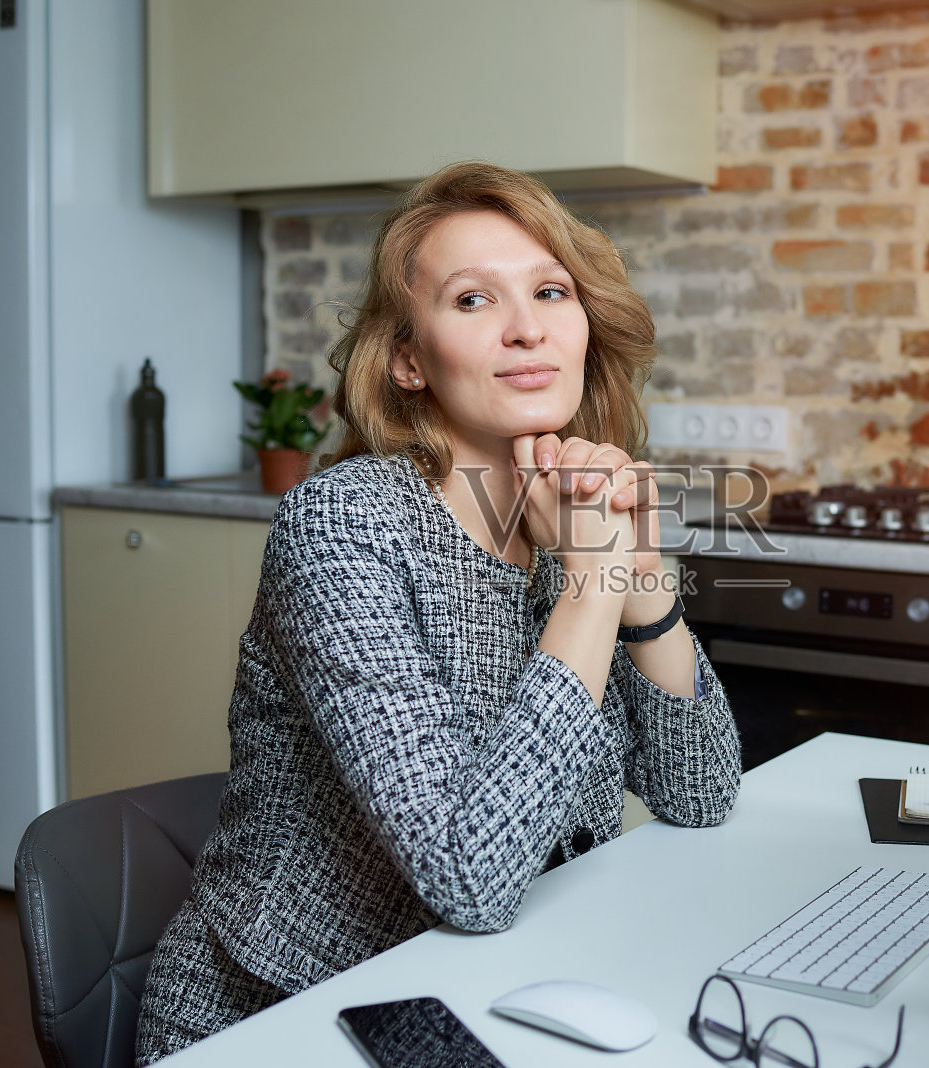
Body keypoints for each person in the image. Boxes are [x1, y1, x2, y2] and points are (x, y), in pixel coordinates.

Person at [134, 161, 742, 1064]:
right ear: (408, 360)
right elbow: (468, 875)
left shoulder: (565, 513)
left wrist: (639, 576)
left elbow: (702, 795)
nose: (527, 327)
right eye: (472, 300)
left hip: (490, 991)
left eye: (549, 290)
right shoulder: (343, 524)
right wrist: (591, 585)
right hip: (288, 1021)